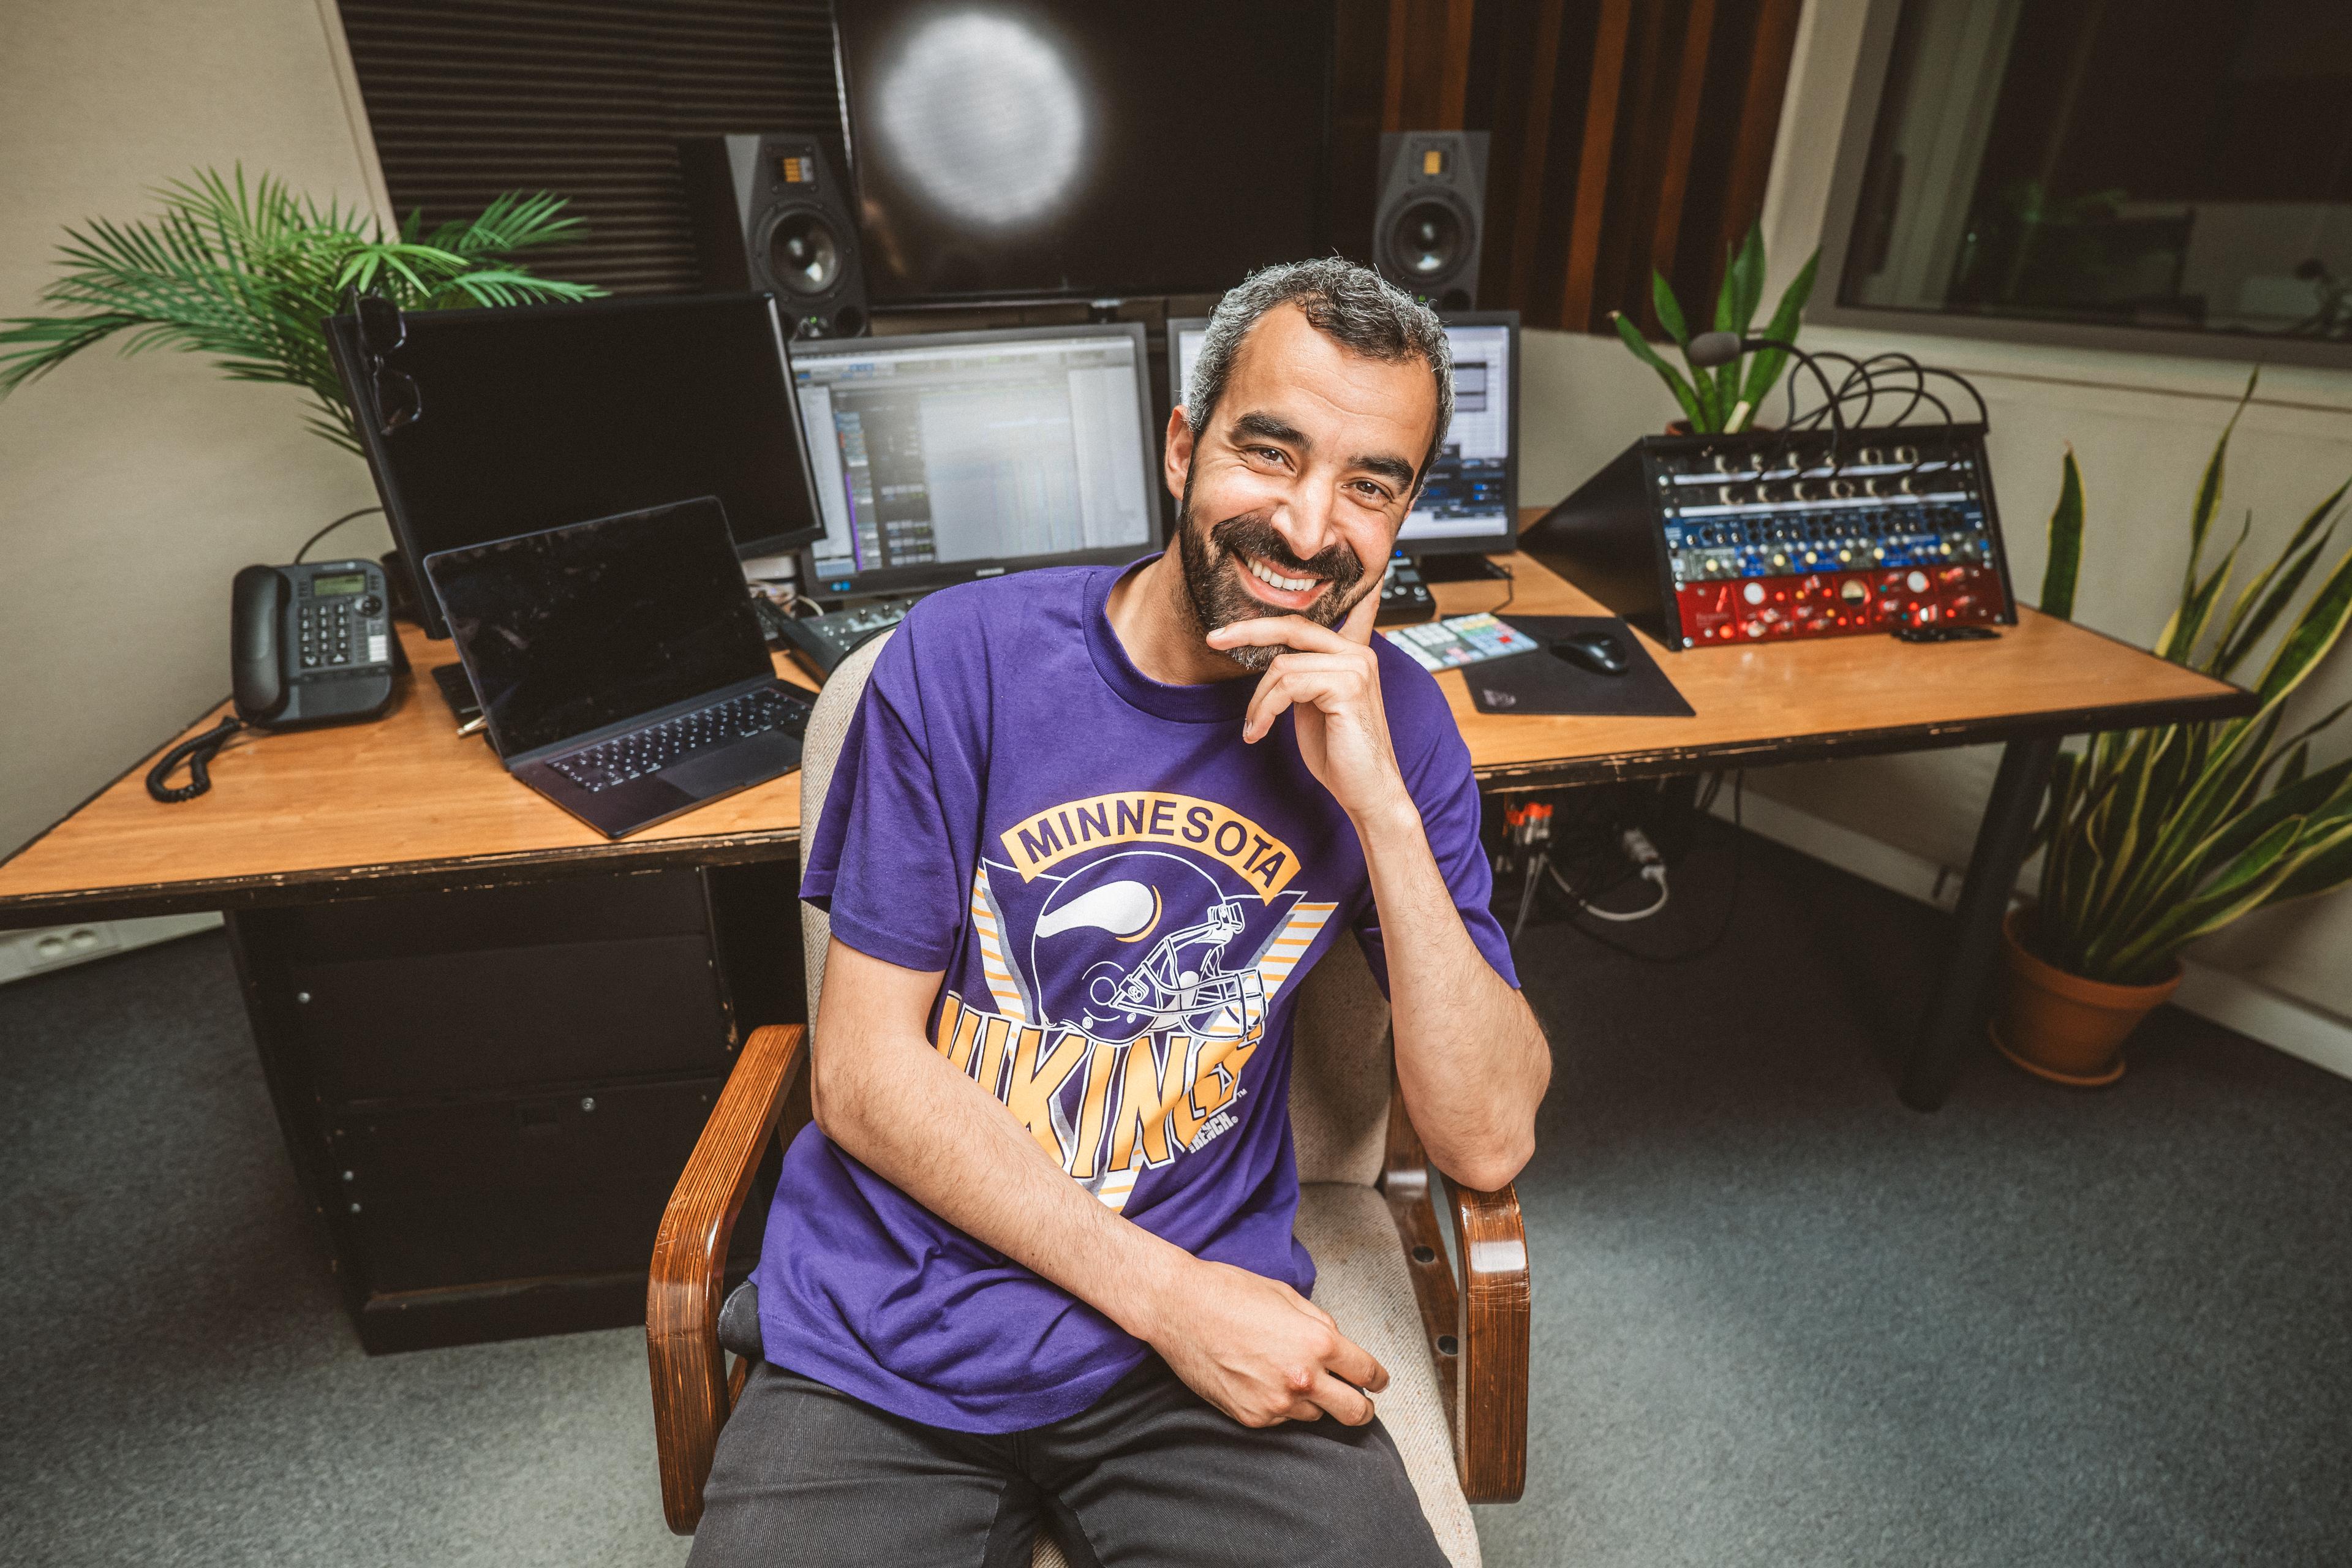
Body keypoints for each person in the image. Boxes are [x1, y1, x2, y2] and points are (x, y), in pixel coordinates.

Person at [692, 258, 1551, 1568]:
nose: (1312, 528)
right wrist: (1168, 1297)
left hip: (1198, 1370)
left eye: (1370, 482)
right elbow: (863, 1076)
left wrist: (1378, 805)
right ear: (1181, 445)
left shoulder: (1398, 727)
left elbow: (1486, 1138)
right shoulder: (959, 658)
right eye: (1272, 452)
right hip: (894, 1324)